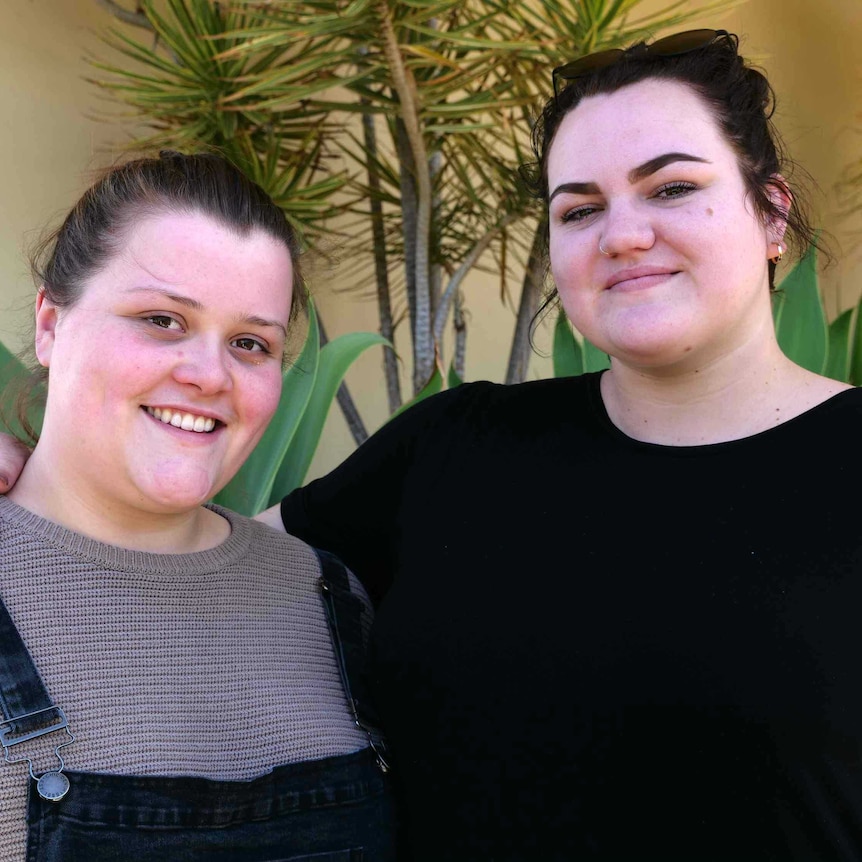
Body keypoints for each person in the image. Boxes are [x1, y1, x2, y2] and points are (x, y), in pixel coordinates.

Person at [3, 29, 861, 861]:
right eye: (581, 208)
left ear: (772, 210)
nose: (624, 234)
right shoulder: (457, 451)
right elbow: (157, 564)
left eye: (671, 188)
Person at [0, 152, 396, 861]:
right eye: (162, 320)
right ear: (51, 325)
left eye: (251, 343)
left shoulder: (331, 597)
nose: (210, 375)